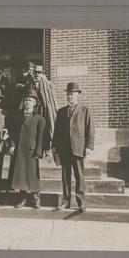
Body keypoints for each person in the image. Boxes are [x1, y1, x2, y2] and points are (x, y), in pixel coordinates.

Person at [52, 82, 95, 211]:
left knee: (79, 176)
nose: (70, 96)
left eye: (72, 94)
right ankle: (65, 201)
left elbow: (90, 130)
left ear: (78, 96)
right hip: (64, 149)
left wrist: (88, 147)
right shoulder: (60, 112)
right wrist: (54, 147)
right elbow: (56, 132)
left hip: (78, 148)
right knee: (65, 176)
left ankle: (81, 202)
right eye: (68, 94)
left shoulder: (85, 110)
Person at [9, 89, 46, 209]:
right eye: (26, 100)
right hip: (19, 150)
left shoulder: (39, 118)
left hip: (31, 151)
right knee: (21, 174)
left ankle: (36, 198)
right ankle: (23, 198)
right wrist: (12, 145)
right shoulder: (17, 116)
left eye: (30, 100)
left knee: (32, 175)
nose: (27, 102)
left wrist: (39, 151)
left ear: (35, 103)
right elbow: (12, 133)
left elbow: (41, 137)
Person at [23, 65, 57, 153]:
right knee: (33, 127)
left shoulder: (48, 84)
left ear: (42, 74)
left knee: (45, 127)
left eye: (39, 73)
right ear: (33, 74)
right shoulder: (29, 83)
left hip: (44, 109)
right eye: (35, 73)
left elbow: (52, 98)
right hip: (33, 108)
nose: (37, 75)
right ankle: (35, 147)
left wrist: (54, 108)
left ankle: (46, 148)